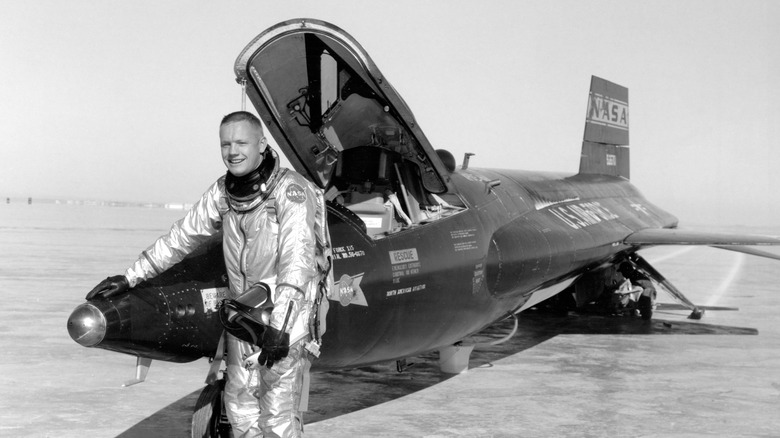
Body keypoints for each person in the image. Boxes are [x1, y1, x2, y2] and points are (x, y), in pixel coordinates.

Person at [86, 111, 330, 437]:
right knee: (240, 407)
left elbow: (296, 263)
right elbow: (180, 238)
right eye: (225, 144)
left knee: (276, 417)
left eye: (241, 143)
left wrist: (281, 327)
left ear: (261, 144)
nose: (233, 151)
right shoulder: (224, 192)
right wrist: (131, 277)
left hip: (285, 317)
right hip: (244, 317)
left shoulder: (290, 191)